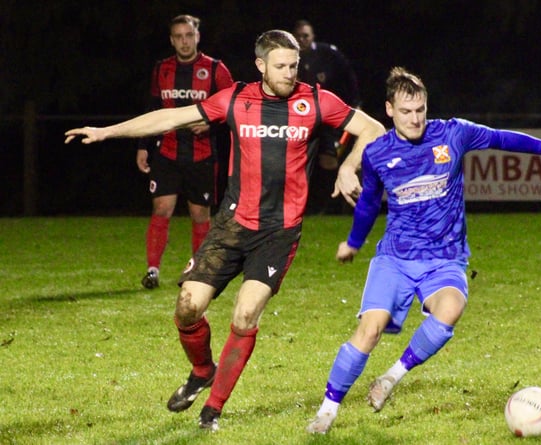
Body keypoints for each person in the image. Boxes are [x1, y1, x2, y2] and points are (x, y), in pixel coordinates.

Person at [65, 30, 386, 432]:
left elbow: (373, 128)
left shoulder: (317, 100)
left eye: (294, 66)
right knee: (187, 307)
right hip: (231, 226)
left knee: (246, 314)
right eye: (282, 66)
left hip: (278, 231)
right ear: (261, 66)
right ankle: (202, 371)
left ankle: (212, 411)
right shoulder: (236, 99)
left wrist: (347, 165)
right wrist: (107, 131)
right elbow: (171, 117)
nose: (290, 73)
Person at [306, 67, 541, 434]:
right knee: (369, 331)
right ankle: (327, 412)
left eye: (420, 109)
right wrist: (354, 242)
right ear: (389, 110)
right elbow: (370, 202)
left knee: (451, 308)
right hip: (396, 258)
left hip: (446, 258)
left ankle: (391, 377)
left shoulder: (452, 133)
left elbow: (500, 138)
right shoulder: (377, 153)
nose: (415, 118)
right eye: (406, 111)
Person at [137, 14, 234, 289]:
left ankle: (197, 271)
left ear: (197, 37)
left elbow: (232, 110)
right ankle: (153, 270)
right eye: (178, 36)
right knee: (161, 207)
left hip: (201, 155)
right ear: (172, 40)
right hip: (167, 151)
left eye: (188, 35)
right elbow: (152, 110)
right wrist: (143, 146)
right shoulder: (162, 69)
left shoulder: (216, 70)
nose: (184, 41)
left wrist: (210, 126)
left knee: (199, 214)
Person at [293, 19, 362, 214]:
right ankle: (303, 205)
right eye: (298, 36)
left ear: (312, 36)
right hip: (299, 119)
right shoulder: (288, 57)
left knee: (329, 160)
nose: (302, 39)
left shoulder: (327, 54)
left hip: (327, 118)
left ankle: (332, 205)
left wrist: (355, 102)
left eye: (305, 35)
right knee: (298, 162)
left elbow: (348, 75)